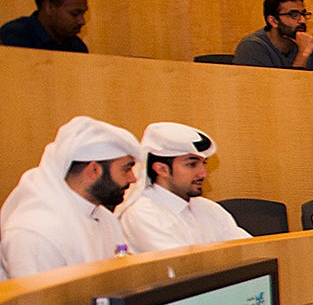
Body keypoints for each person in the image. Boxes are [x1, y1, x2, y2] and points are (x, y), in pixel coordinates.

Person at [0, 115, 140, 279]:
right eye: (126, 169)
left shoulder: (104, 217)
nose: (133, 179)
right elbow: (38, 303)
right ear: (93, 170)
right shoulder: (36, 232)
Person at [118, 122, 254, 252]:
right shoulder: (143, 214)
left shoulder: (207, 208)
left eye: (204, 163)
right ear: (162, 169)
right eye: (191, 164)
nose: (203, 174)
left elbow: (251, 251)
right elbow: (182, 268)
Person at [233, 0, 313, 70]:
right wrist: (303, 55)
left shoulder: (310, 43)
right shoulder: (252, 47)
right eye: (293, 15)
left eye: (303, 14)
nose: (302, 20)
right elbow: (268, 90)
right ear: (273, 21)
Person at [0, 0, 90, 52]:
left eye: (83, 13)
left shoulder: (76, 46)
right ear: (49, 7)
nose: (82, 21)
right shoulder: (14, 37)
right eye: (75, 14)